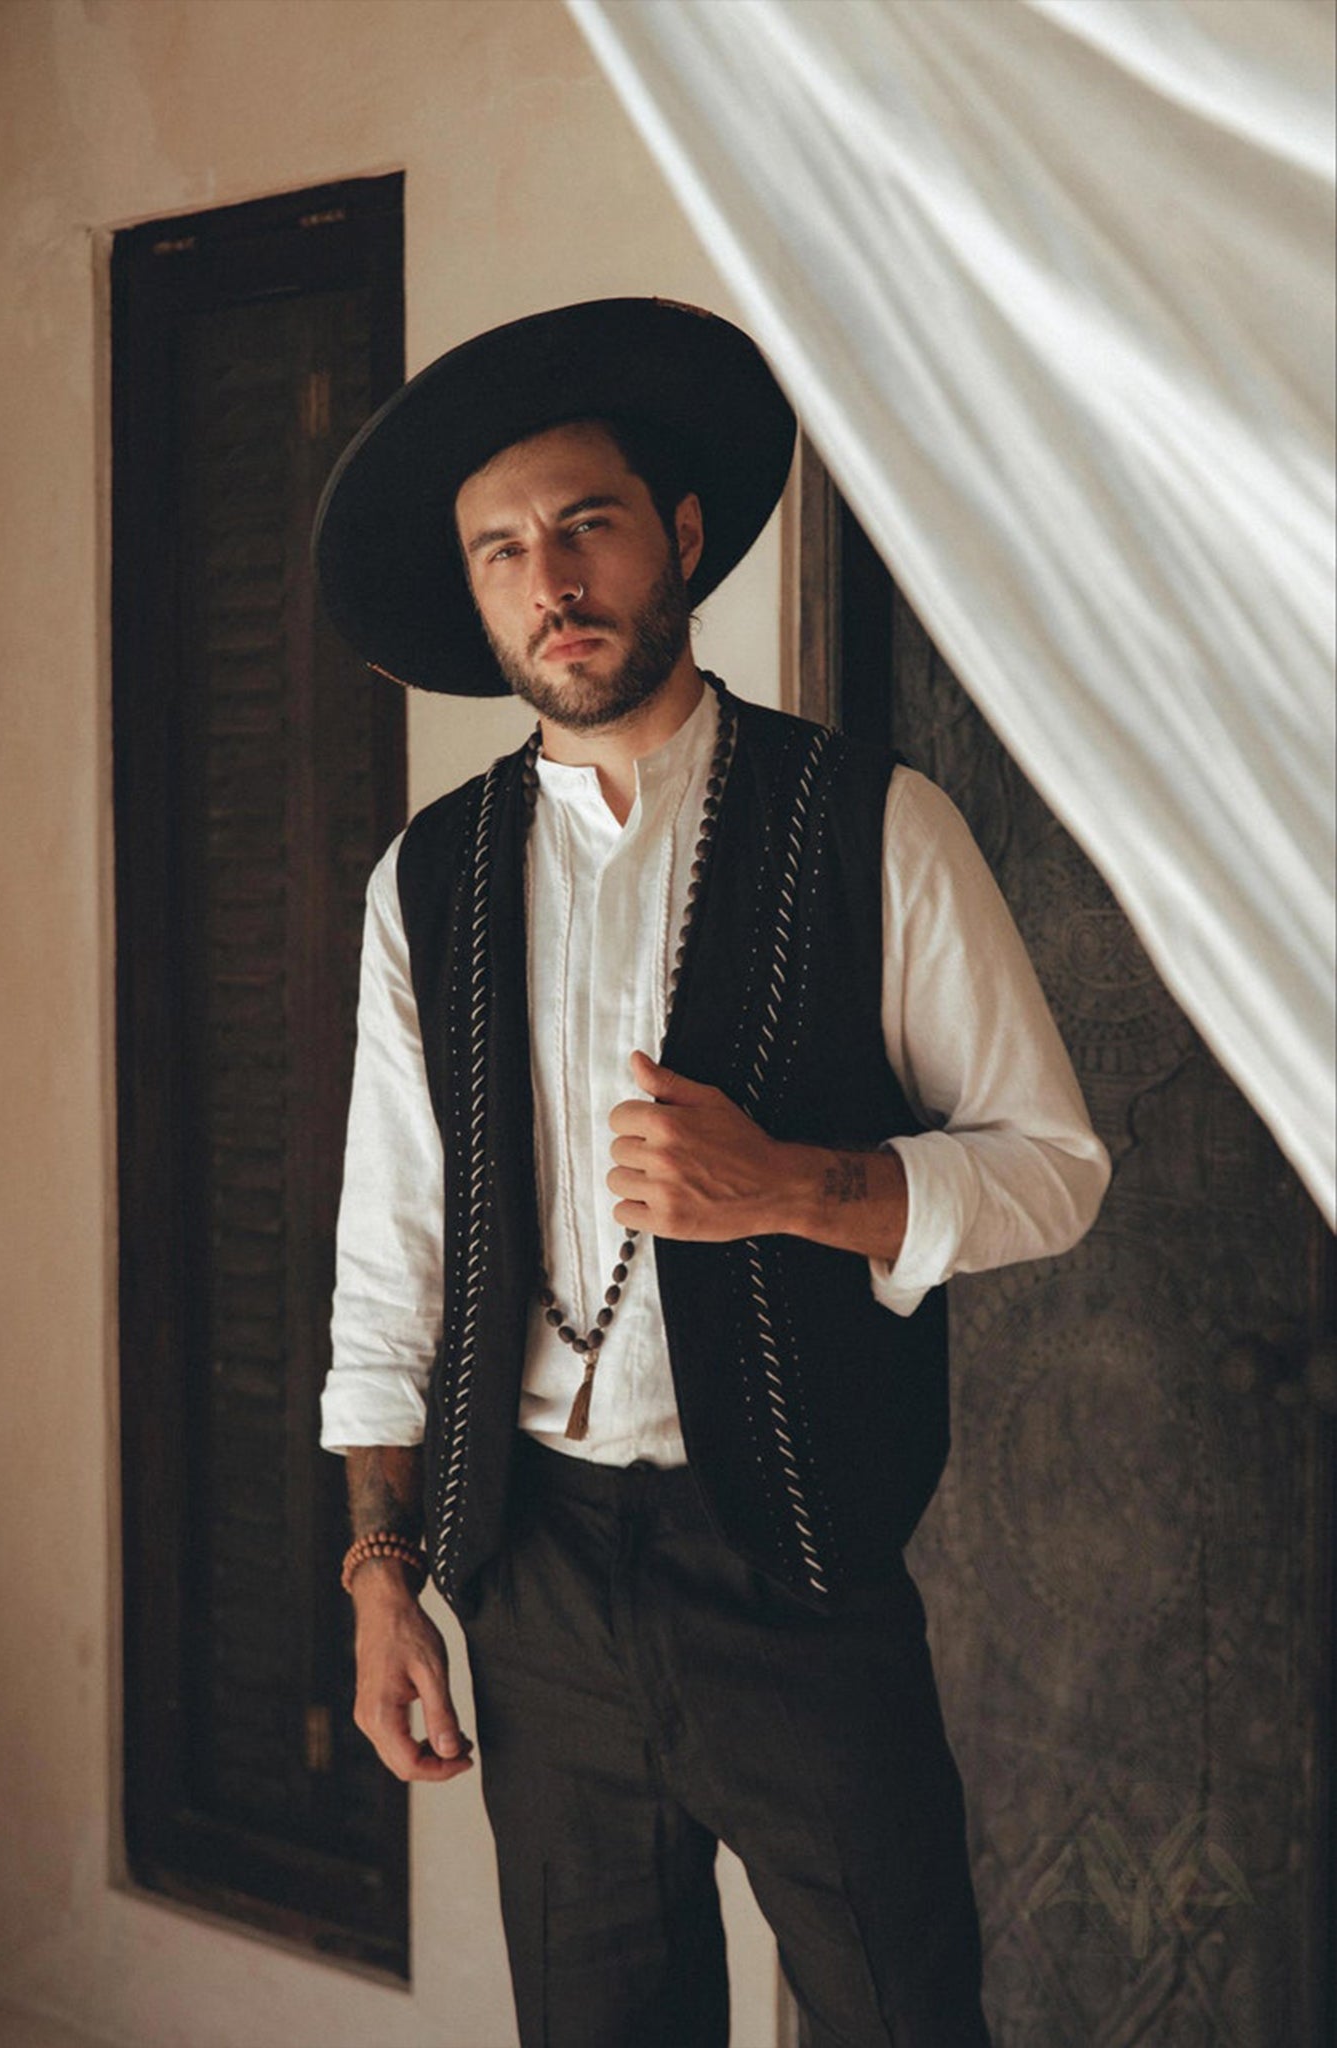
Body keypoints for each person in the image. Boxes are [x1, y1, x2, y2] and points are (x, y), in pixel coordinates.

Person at [314, 297, 1110, 2048]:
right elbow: (393, 1259)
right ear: (474, 595)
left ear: (677, 536)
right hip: (523, 1573)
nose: (552, 578)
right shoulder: (425, 881)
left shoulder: (869, 821)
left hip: (795, 1567)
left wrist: (797, 1192)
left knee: (905, 2021)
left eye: (586, 523)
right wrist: (384, 1578)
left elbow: (1053, 1171)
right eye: (501, 549)